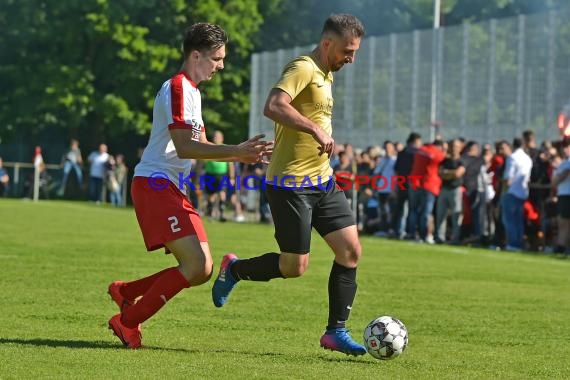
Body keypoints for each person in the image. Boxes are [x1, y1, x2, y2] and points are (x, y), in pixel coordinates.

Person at [106, 23, 270, 349]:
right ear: (196, 55)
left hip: (169, 187)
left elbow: (201, 143)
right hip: (155, 184)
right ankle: (127, 321)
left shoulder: (193, 92)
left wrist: (243, 157)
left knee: (202, 269)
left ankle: (125, 293)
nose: (221, 65)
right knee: (197, 265)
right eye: (216, 58)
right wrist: (236, 151)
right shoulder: (178, 88)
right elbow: (184, 147)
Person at [211, 14, 367, 356]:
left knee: (351, 251)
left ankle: (336, 332)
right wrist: (315, 130)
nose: (351, 58)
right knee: (294, 267)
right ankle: (234, 270)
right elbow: (274, 106)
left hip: (322, 180)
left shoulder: (326, 74)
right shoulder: (304, 67)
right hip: (290, 184)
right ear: (327, 43)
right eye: (347, 51)